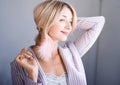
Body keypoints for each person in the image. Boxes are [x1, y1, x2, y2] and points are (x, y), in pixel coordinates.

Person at [11, 0, 105, 85]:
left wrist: (67, 22)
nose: (70, 27)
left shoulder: (72, 53)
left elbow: (99, 22)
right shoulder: (20, 63)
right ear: (44, 22)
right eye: (62, 19)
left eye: (71, 21)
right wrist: (32, 75)